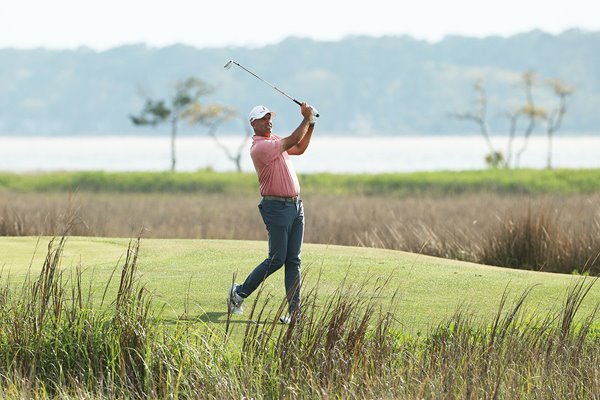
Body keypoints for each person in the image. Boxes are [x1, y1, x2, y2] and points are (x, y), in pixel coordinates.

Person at [228, 102, 317, 323]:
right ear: (253, 124)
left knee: (293, 261)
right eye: (264, 119)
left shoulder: (274, 141)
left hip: (296, 206)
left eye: (270, 118)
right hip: (276, 208)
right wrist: (306, 118)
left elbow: (300, 148)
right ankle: (238, 293)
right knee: (277, 259)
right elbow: (294, 140)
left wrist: (311, 123)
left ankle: (295, 313)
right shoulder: (261, 147)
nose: (269, 122)